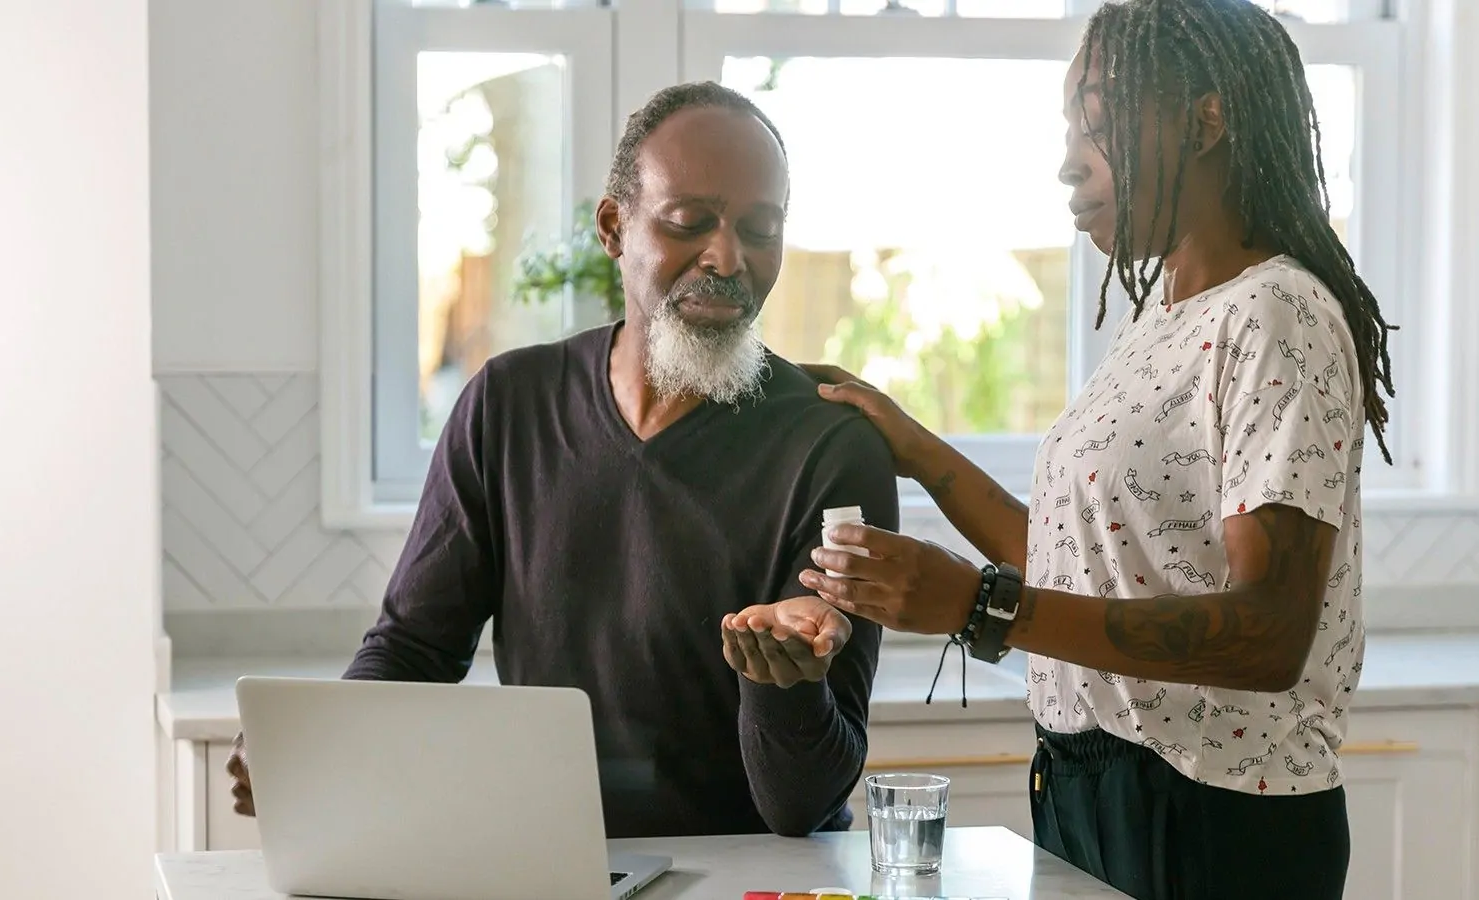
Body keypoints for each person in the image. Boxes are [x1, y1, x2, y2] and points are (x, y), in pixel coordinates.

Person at [797, 2, 1397, 898]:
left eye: (1098, 121)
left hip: (1215, 816)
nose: (1070, 159)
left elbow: (1270, 632)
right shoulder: (1167, 315)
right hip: (1093, 786)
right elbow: (1094, 564)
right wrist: (918, 449)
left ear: (1208, 117)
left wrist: (983, 607)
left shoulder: (1278, 314)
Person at [226, 82, 899, 839]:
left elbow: (801, 807)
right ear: (613, 228)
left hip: (762, 874)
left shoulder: (831, 448)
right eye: (689, 222)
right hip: (560, 862)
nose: (727, 256)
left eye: (760, 227)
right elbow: (416, 647)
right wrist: (321, 745)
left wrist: (786, 685)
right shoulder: (507, 404)